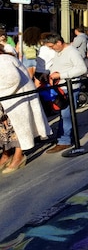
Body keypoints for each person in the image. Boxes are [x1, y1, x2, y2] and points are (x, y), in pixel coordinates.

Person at [0, 44, 52, 173]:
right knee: (4, 128)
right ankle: (6, 155)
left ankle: (19, 156)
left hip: (16, 98)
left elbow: (12, 79)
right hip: (7, 99)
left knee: (18, 129)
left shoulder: (3, 60)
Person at [42, 32, 88, 153]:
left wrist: (61, 75)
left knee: (66, 114)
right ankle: (63, 137)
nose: (51, 49)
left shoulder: (72, 52)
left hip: (69, 87)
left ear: (59, 42)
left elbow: (82, 69)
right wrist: (48, 73)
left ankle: (65, 140)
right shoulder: (59, 52)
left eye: (52, 46)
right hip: (61, 86)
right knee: (64, 113)